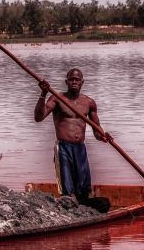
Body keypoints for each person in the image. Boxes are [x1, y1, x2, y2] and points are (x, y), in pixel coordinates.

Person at [34, 68, 111, 203]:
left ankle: (84, 210)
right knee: (67, 188)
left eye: (77, 79)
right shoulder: (57, 99)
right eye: (71, 79)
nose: (74, 82)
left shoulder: (89, 103)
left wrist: (104, 137)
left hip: (80, 149)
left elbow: (97, 131)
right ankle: (67, 204)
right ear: (66, 82)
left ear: (82, 82)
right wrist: (43, 94)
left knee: (83, 189)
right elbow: (38, 117)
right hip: (63, 148)